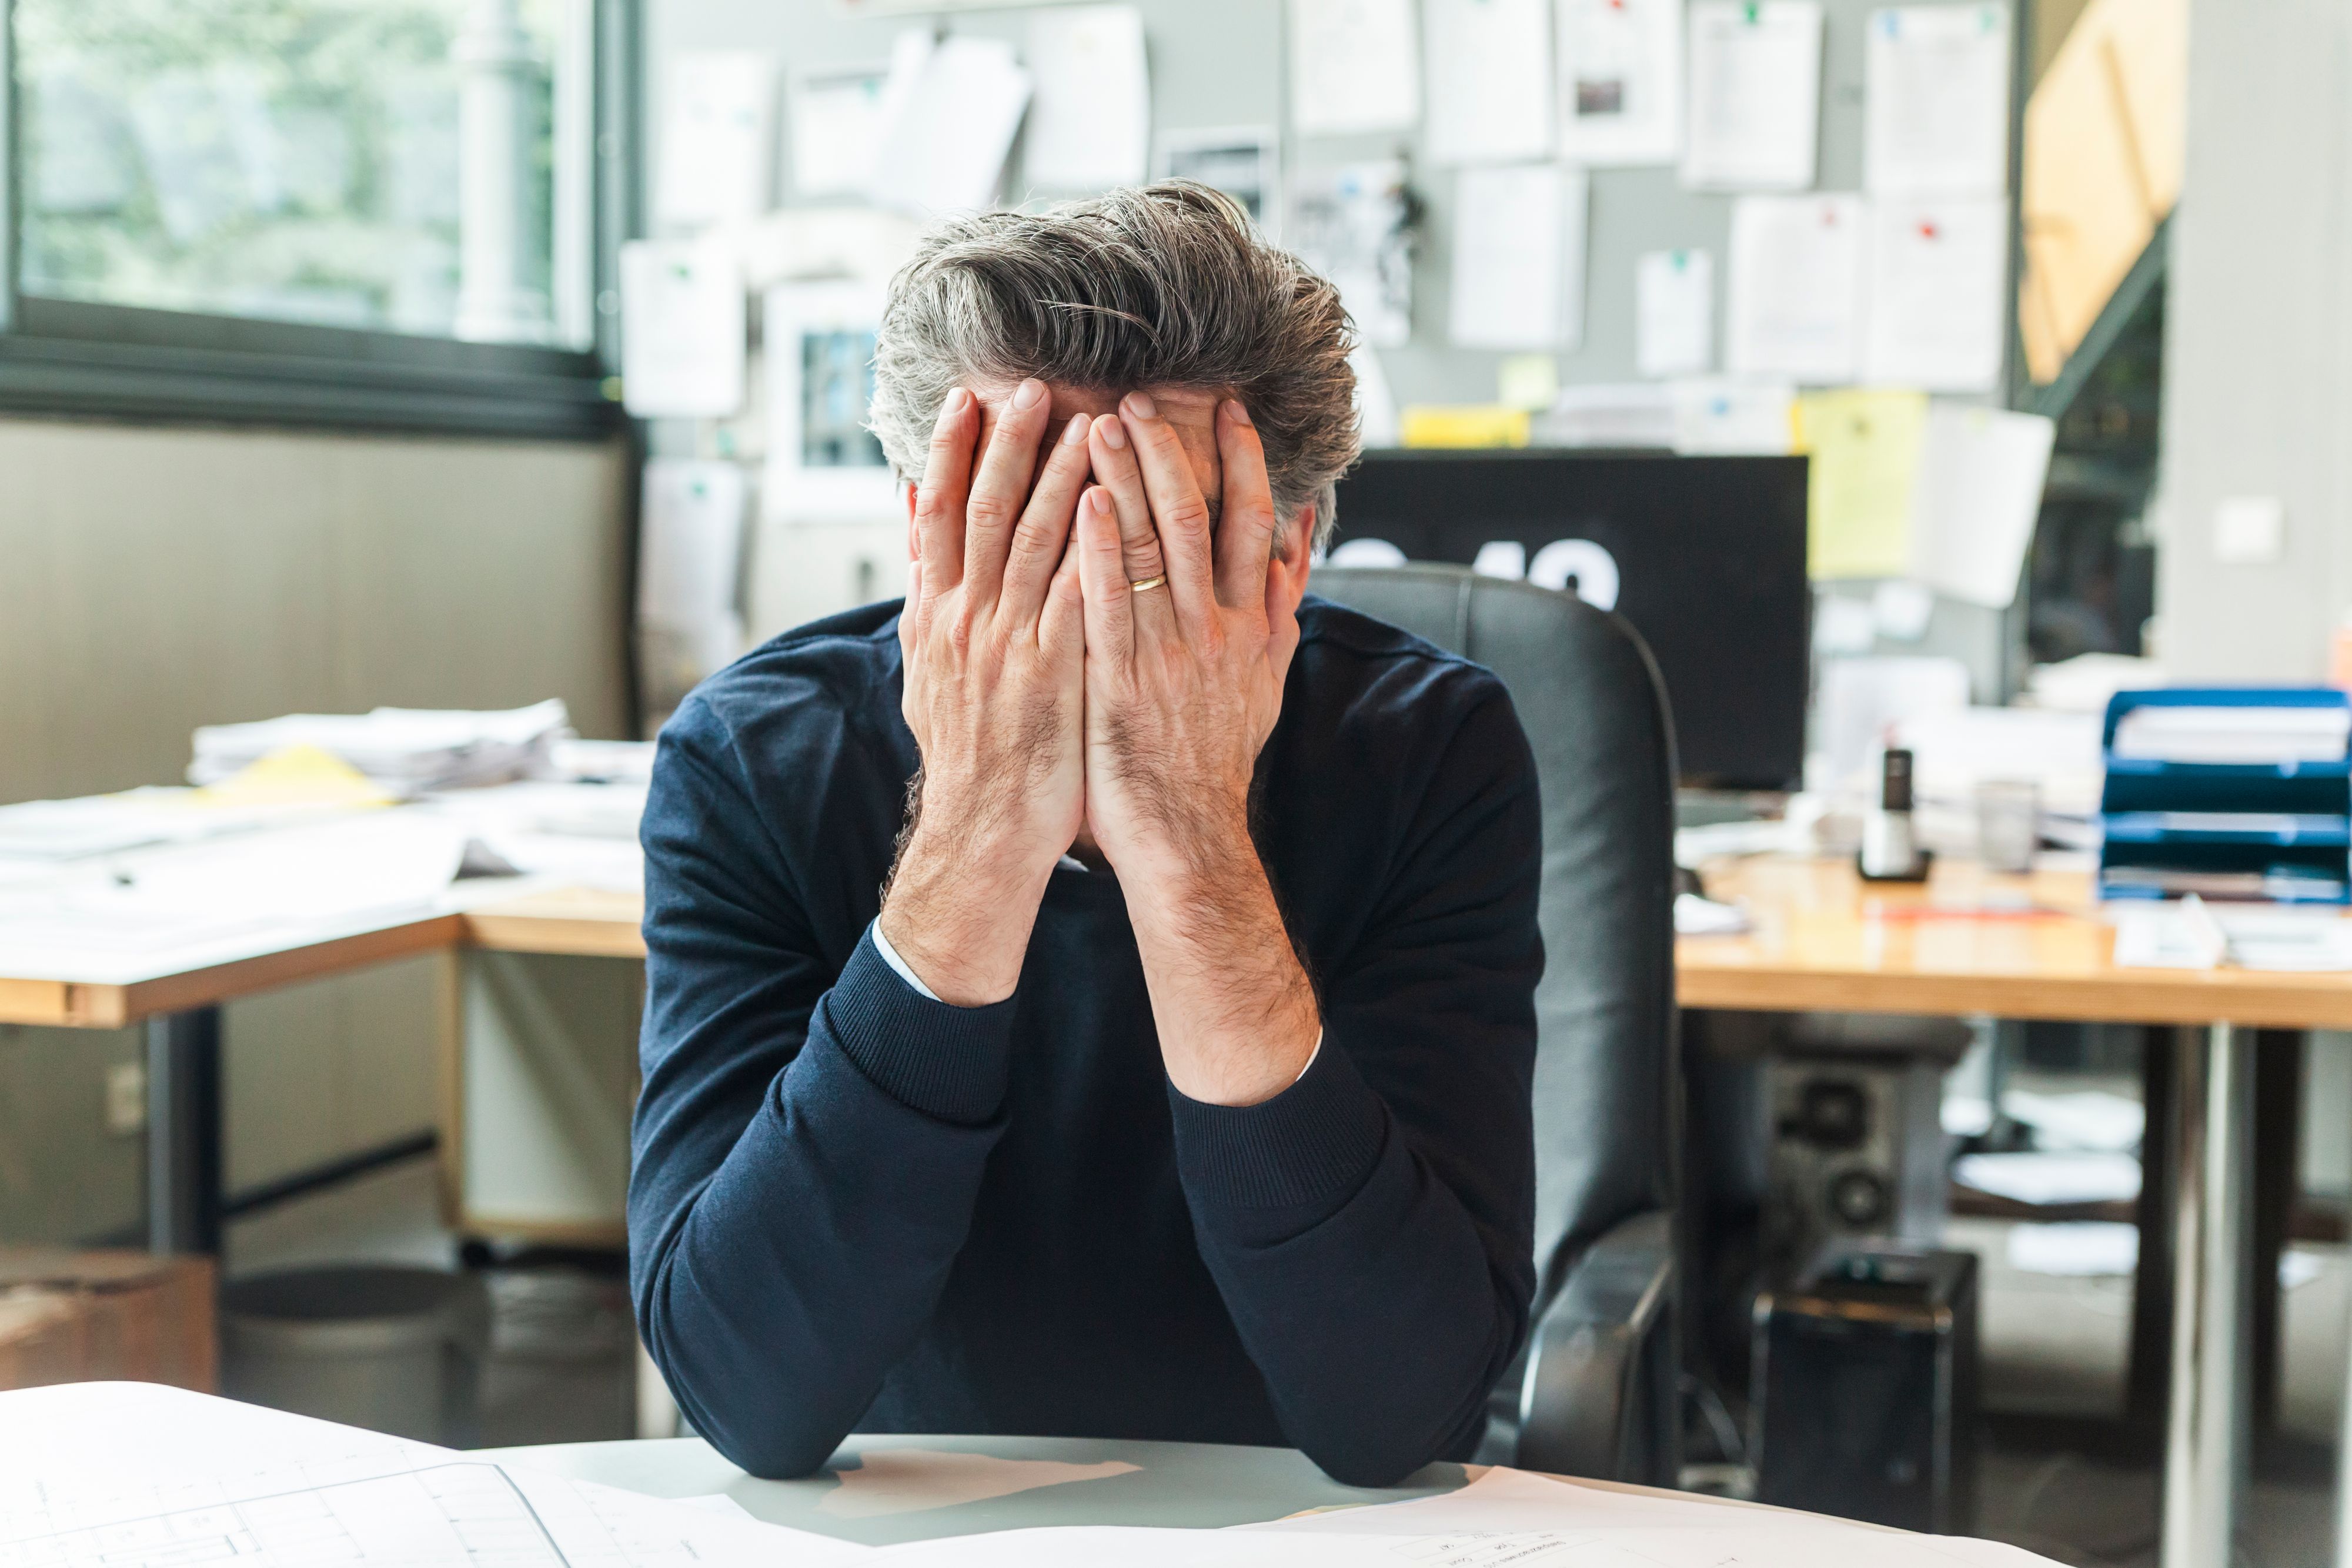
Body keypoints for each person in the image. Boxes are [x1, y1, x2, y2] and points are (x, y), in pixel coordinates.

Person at [630, 183, 1543, 1488]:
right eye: (1019, 538)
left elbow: (1402, 1412)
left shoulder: (1429, 751)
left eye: (1142, 550)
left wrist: (1186, 830)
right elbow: (742, 1390)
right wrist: (980, 823)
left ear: (1288, 551)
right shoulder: (751, 760)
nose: (1070, 609)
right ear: (922, 530)